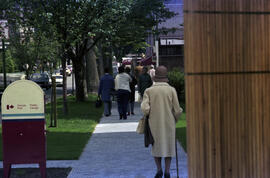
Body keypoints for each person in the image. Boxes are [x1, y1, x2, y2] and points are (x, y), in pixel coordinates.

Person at [141, 66, 183, 178]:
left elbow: (145, 108)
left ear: (155, 78)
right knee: (169, 147)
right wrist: (175, 118)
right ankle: (167, 172)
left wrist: (149, 113)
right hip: (169, 122)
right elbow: (177, 110)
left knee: (156, 147)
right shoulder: (171, 90)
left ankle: (159, 170)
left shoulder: (149, 91)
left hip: (154, 122)